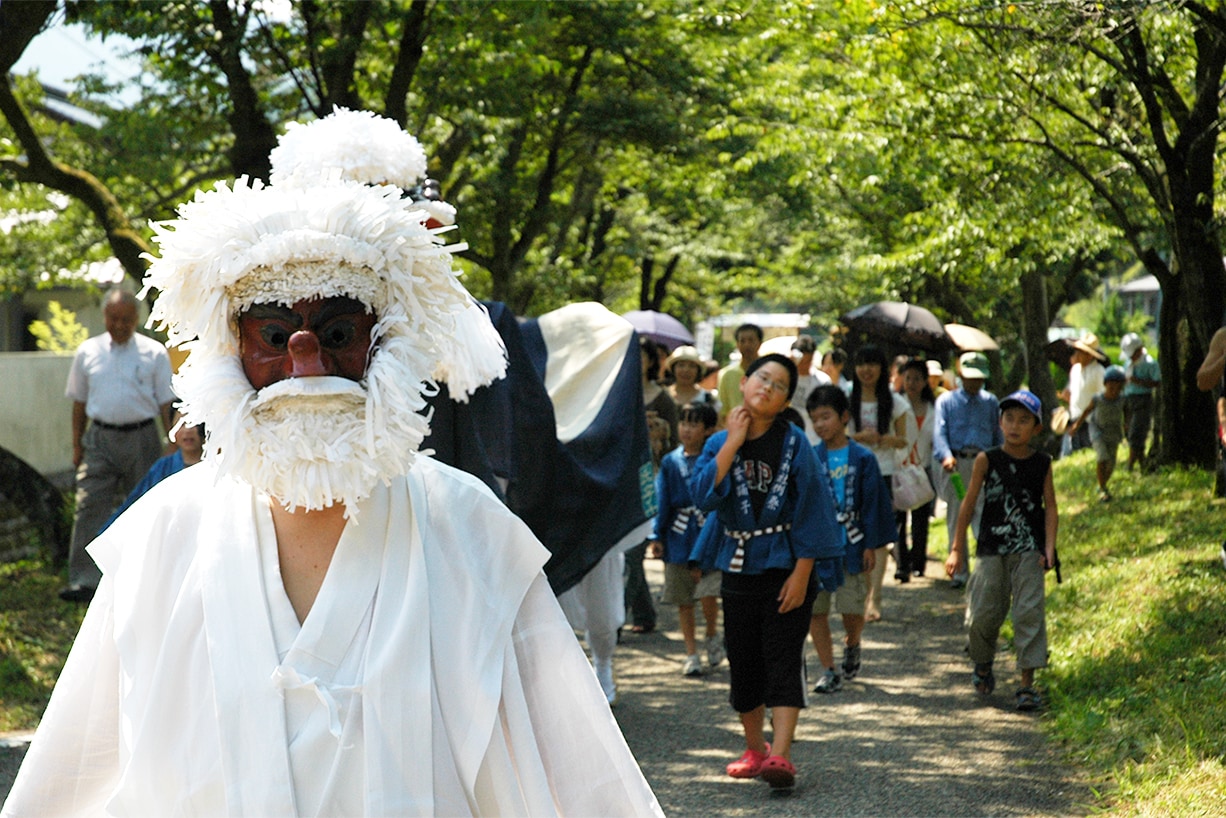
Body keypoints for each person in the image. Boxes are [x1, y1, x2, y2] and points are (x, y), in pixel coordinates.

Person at [3, 171, 663, 816]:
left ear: (386, 347)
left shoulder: (470, 529)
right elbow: (73, 779)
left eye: (339, 335)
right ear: (229, 349)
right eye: (272, 337)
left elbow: (581, 779)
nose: (306, 363)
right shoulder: (159, 538)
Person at [689, 353, 842, 790]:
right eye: (762, 378)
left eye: (779, 386)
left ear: (785, 401)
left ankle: (781, 754)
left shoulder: (795, 443)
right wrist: (733, 440)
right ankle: (755, 747)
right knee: (744, 659)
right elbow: (702, 495)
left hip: (786, 564)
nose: (768, 388)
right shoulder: (722, 439)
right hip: (738, 563)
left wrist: (803, 571)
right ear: (744, 382)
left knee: (783, 655)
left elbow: (814, 507)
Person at [945, 390, 1058, 713]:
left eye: (1024, 420)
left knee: (1029, 613)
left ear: (1037, 428)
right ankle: (982, 662)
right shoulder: (987, 459)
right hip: (990, 548)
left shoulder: (1042, 464)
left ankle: (1026, 685)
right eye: (1009, 418)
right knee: (982, 614)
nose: (1015, 426)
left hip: (1029, 551)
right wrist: (956, 549)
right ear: (999, 422)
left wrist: (1048, 548)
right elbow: (967, 505)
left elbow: (1051, 508)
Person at [60, 288, 175, 602]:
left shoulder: (154, 353)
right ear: (105, 318)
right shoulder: (88, 351)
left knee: (145, 506)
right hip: (98, 438)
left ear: (136, 319)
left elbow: (167, 403)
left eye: (127, 319)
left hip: (142, 438)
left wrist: (172, 442)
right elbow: (79, 403)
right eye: (114, 318)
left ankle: (142, 579)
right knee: (89, 506)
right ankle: (84, 580)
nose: (120, 325)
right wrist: (76, 446)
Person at [806, 385, 896, 693]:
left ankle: (853, 641)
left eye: (826, 417)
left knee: (852, 606)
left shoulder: (863, 458)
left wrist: (872, 543)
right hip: (818, 549)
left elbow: (873, 503)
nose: (820, 425)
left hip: (853, 542)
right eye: (814, 419)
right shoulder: (810, 457)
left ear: (844, 417)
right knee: (816, 609)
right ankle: (828, 669)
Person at [648, 401, 724, 676]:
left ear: (708, 430)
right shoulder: (671, 461)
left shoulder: (716, 458)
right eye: (683, 423)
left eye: (694, 424)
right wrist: (657, 535)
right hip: (679, 536)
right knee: (683, 600)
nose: (687, 429)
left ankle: (713, 634)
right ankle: (691, 652)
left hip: (708, 534)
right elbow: (663, 499)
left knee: (709, 592)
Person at [847, 345, 911, 620]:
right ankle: (859, 594)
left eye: (872, 364)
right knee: (854, 532)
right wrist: (861, 438)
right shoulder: (846, 398)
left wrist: (882, 439)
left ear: (882, 369)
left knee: (879, 536)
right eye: (862, 363)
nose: (866, 369)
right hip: (851, 471)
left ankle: (875, 596)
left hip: (883, 472)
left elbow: (903, 440)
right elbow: (836, 435)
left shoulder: (895, 401)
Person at [932, 351, 1003, 589]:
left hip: (984, 462)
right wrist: (946, 456)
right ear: (961, 374)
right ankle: (960, 570)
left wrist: (1000, 459)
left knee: (984, 514)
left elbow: (997, 433)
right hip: (957, 465)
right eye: (970, 377)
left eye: (979, 378)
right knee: (957, 513)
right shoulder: (947, 401)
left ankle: (987, 568)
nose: (974, 383)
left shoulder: (991, 402)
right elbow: (939, 432)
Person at [625, 337, 678, 635]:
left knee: (634, 548)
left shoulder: (662, 398)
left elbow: (675, 447)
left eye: (642, 356)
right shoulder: (619, 394)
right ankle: (644, 612)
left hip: (653, 478)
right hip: (623, 479)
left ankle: (617, 615)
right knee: (627, 546)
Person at [97, 410, 204, 535]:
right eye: (181, 423)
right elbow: (136, 502)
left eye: (193, 423)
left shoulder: (214, 467)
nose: (187, 430)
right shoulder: (163, 467)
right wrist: (108, 533)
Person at [896, 359, 938, 578]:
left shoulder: (933, 408)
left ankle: (918, 563)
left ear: (925, 382)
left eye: (917, 379)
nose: (911, 383)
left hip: (925, 468)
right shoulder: (896, 404)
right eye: (908, 378)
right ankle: (902, 565)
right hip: (900, 468)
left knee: (921, 519)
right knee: (900, 519)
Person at [1068, 365, 1127, 502]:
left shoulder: (1123, 399)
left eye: (1118, 388)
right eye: (1111, 387)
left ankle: (1102, 484)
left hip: (1113, 432)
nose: (1114, 391)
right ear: (1105, 385)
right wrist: (1076, 425)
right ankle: (1102, 490)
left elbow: (1126, 412)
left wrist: (1126, 425)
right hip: (1098, 430)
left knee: (1111, 463)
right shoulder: (1097, 399)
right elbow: (1086, 412)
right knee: (1102, 457)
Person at [1119, 332, 1160, 472]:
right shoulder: (1128, 364)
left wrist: (1139, 382)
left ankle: (1130, 464)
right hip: (1129, 400)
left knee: (1137, 432)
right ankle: (1142, 463)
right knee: (1132, 430)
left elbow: (1157, 382)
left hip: (1143, 399)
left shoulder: (1150, 363)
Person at [1060, 333, 1107, 455]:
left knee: (1088, 452)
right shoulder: (1075, 370)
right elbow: (1075, 392)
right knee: (1070, 452)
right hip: (1074, 417)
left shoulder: (1099, 372)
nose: (1077, 355)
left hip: (1090, 420)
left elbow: (1102, 399)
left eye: (1081, 352)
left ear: (1089, 355)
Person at [789, 335, 832, 444]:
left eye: (807, 362)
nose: (803, 366)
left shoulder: (822, 381)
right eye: (801, 361)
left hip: (815, 440)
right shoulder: (785, 379)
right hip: (790, 437)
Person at [717, 323, 763, 422]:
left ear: (760, 343)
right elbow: (723, 410)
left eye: (751, 340)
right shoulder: (727, 375)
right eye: (742, 341)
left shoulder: (769, 373)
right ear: (737, 344)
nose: (747, 345)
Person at [665, 344, 719, 411]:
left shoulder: (709, 399)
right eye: (681, 365)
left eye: (692, 366)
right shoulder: (663, 395)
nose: (686, 370)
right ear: (673, 369)